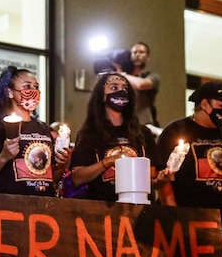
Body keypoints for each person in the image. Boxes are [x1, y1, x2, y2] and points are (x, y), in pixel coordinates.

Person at [67, 72, 174, 203]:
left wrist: (161, 180)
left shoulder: (143, 133)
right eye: (114, 87)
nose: (120, 91)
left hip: (140, 209)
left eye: (124, 88)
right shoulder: (90, 133)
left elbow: (151, 180)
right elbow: (77, 178)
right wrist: (108, 161)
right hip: (102, 209)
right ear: (102, 96)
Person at [158, 81, 222, 229]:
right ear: (204, 105)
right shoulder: (176, 131)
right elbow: (163, 179)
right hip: (188, 218)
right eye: (221, 106)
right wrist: (174, 215)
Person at [0, 66, 69, 195]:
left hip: (41, 207)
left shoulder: (43, 128)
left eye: (36, 87)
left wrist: (62, 166)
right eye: (27, 86)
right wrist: (4, 157)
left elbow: (47, 179)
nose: (33, 91)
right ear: (9, 92)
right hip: (7, 206)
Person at [117, 42, 160, 126]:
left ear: (148, 57)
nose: (137, 55)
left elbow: (140, 84)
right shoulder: (122, 76)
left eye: (141, 52)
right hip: (123, 123)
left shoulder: (152, 76)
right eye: (134, 52)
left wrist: (120, 75)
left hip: (143, 124)